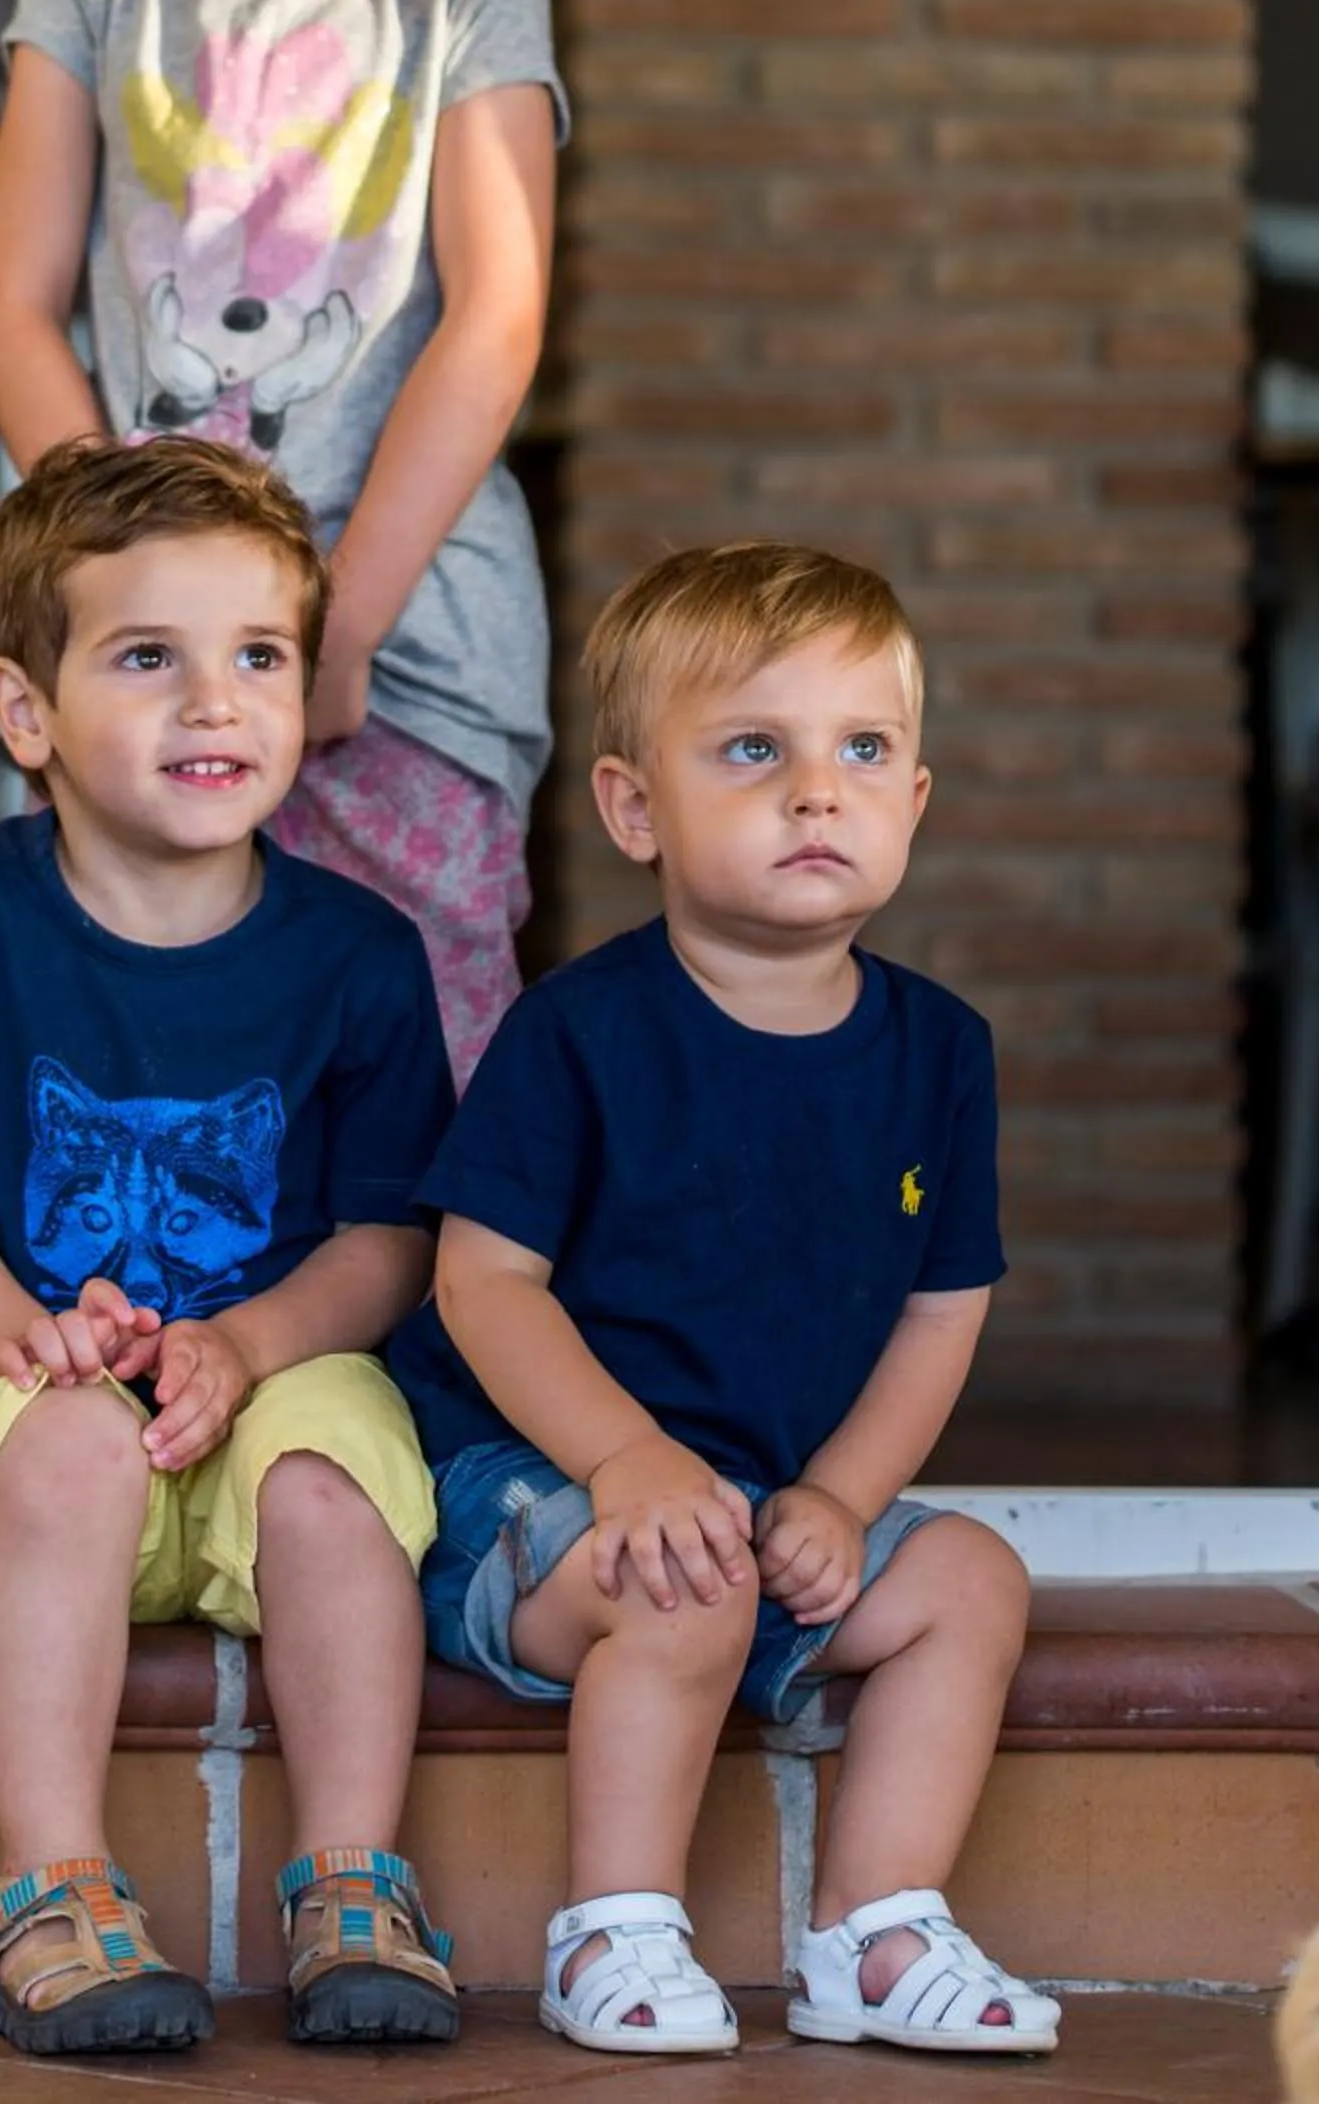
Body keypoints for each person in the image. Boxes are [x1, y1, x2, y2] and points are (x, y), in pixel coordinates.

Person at [0, 437, 460, 2060]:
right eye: (147, 658)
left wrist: (254, 1345)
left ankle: (355, 1883)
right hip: (42, 1413)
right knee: (73, 1456)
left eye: (259, 657)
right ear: (26, 712)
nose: (216, 701)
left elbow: (391, 1236)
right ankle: (50, 1889)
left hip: (279, 1386)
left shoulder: (362, 955)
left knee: (332, 1488)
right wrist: (10, 1341)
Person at [391, 541, 1060, 2062]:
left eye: (864, 750)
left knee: (974, 1585)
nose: (817, 790)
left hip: (773, 1514)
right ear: (635, 808)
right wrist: (627, 1464)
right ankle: (614, 1929)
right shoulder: (578, 1032)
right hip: (545, 1504)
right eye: (755, 749)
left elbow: (939, 1313)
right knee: (686, 1582)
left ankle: (876, 1934)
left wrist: (844, 1493)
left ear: (914, 801)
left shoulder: (940, 1053)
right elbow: (481, 1284)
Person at [0, 0, 563, 1088]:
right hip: (138, 656)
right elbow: (18, 306)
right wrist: (129, 600)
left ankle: (404, 1353)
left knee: (409, 1075)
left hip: (413, 648)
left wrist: (337, 627)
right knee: (136, 1061)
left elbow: (495, 321)